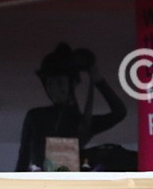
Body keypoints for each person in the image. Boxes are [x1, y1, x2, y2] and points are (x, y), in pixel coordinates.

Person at [15, 43, 128, 171]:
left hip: (68, 185)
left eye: (59, 82)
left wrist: (98, 79)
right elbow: (23, 158)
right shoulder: (35, 117)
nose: (53, 89)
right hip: (39, 186)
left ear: (72, 84)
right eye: (49, 83)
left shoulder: (82, 122)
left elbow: (119, 113)